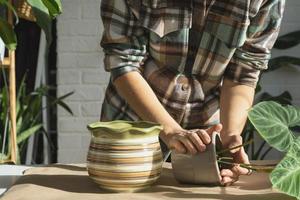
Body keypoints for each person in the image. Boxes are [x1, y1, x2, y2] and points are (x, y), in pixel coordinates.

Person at [99, 0, 285, 186]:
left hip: (205, 137)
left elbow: (244, 71)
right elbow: (123, 61)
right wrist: (170, 130)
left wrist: (229, 137)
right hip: (135, 123)